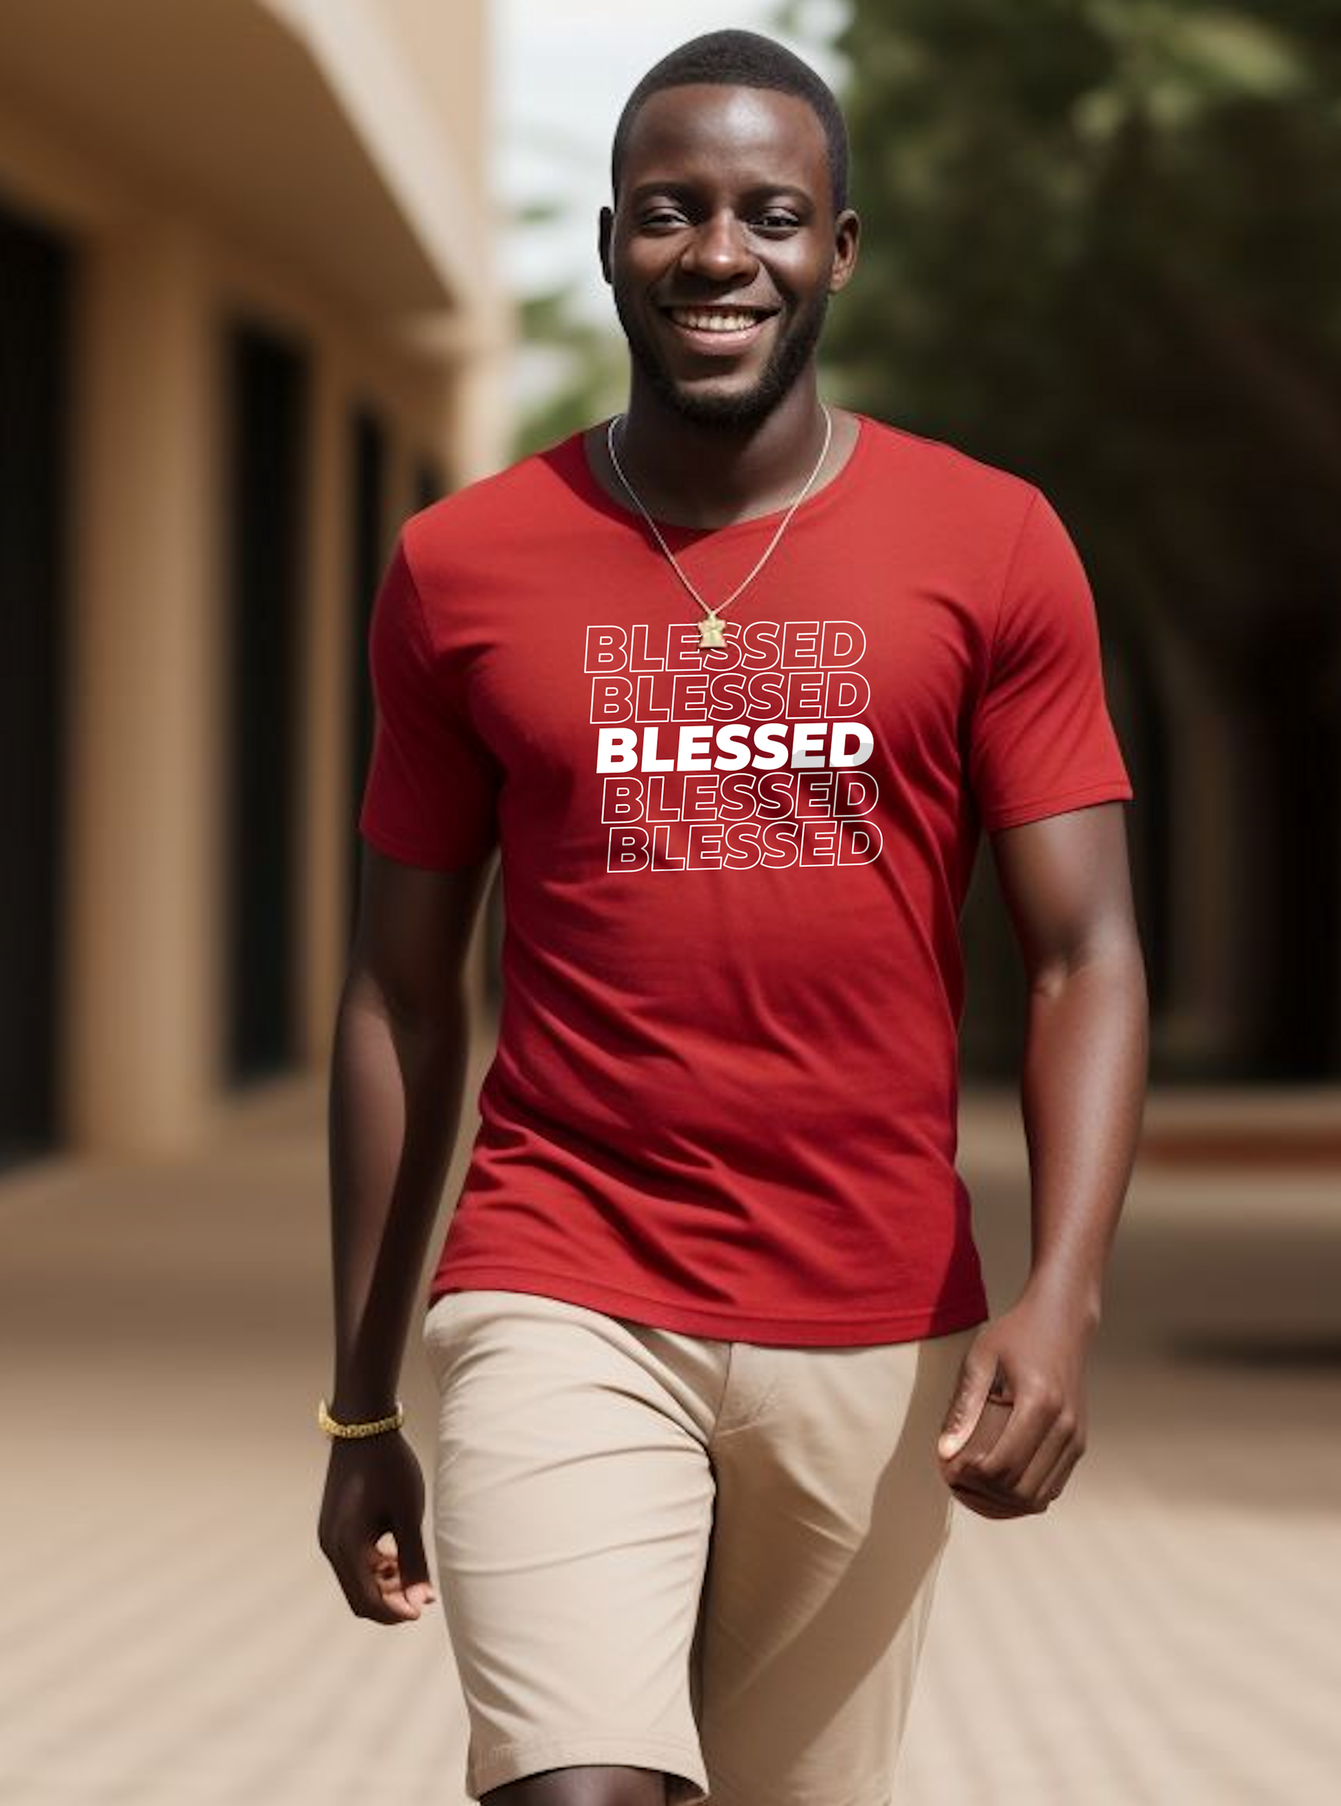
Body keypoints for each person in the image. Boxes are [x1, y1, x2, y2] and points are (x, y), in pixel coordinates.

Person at [317, 27, 1148, 1806]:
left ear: (838, 246)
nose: (720, 254)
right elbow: (400, 994)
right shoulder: (460, 565)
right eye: (671, 213)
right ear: (612, 237)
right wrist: (360, 1400)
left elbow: (1087, 951)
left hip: (873, 1306)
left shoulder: (990, 542)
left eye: (772, 214)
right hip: (559, 1271)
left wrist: (1064, 1298)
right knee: (578, 1785)